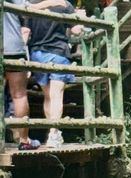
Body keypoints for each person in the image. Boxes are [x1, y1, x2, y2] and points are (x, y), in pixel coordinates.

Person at [24, 0, 85, 148]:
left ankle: (52, 132)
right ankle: (53, 133)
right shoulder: (64, 4)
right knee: (56, 95)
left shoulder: (30, 3)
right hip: (58, 52)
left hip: (37, 54)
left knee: (48, 96)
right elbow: (77, 30)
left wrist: (23, 58)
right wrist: (80, 18)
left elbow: (25, 32)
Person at [3, 0, 55, 149]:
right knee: (19, 95)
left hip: (9, 45)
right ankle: (24, 140)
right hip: (12, 46)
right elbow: (27, 7)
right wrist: (51, 3)